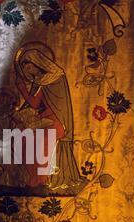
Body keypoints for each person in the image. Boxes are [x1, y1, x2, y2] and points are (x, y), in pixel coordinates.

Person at [15, 47, 84, 192]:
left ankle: (39, 180)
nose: (28, 72)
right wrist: (23, 90)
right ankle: (32, 177)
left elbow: (57, 107)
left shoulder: (56, 79)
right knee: (22, 137)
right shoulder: (40, 81)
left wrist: (39, 117)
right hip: (45, 121)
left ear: (37, 63)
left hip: (57, 123)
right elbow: (35, 103)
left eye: (29, 67)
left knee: (42, 141)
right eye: (26, 69)